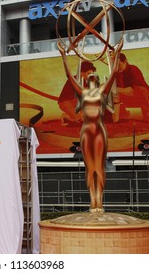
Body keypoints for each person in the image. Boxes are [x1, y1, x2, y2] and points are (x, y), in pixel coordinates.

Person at [57, 40, 123, 212]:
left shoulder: (103, 91)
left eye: (95, 75)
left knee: (99, 166)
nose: (92, 76)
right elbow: (69, 77)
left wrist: (117, 52)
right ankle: (92, 201)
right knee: (90, 167)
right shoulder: (82, 92)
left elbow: (114, 71)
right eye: (90, 75)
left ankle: (99, 202)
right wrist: (63, 55)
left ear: (98, 79)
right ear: (87, 79)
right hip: (86, 131)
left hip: (100, 130)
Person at [116, 53, 149, 122]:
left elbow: (132, 90)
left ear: (125, 61)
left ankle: (148, 118)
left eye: (119, 65)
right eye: (115, 66)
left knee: (140, 90)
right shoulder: (116, 73)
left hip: (140, 96)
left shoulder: (133, 69)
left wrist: (116, 89)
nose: (117, 68)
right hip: (127, 98)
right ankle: (121, 115)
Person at [58, 61, 97, 126]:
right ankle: (66, 116)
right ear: (81, 72)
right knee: (81, 117)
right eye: (88, 73)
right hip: (65, 102)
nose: (90, 75)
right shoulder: (75, 79)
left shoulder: (85, 80)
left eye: (91, 73)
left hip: (74, 101)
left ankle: (71, 117)